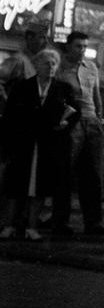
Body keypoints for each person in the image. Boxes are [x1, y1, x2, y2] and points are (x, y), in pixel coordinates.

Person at [0, 48, 78, 240]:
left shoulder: (62, 89)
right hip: (24, 142)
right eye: (46, 63)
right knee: (16, 185)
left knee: (40, 187)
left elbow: (76, 112)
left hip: (48, 144)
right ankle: (8, 224)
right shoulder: (23, 87)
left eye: (54, 64)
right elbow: (10, 116)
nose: (50, 67)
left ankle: (32, 227)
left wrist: (65, 125)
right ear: (37, 65)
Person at [52, 30, 104, 237]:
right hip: (72, 122)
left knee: (93, 174)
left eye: (85, 46)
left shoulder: (91, 68)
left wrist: (98, 119)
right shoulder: (59, 68)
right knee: (65, 172)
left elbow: (96, 96)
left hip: (91, 120)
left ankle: (93, 221)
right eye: (78, 46)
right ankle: (61, 221)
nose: (82, 50)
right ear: (68, 47)